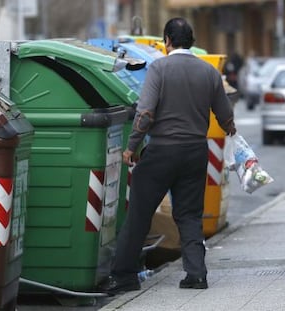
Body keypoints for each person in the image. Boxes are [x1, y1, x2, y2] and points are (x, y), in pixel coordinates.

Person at [98, 17, 236, 296]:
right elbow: (225, 115)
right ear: (192, 41)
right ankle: (196, 275)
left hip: (162, 150)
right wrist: (233, 134)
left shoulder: (159, 68)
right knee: (189, 214)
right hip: (196, 150)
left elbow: (145, 112)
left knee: (139, 213)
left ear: (167, 41)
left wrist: (131, 147)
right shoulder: (208, 72)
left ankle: (124, 276)